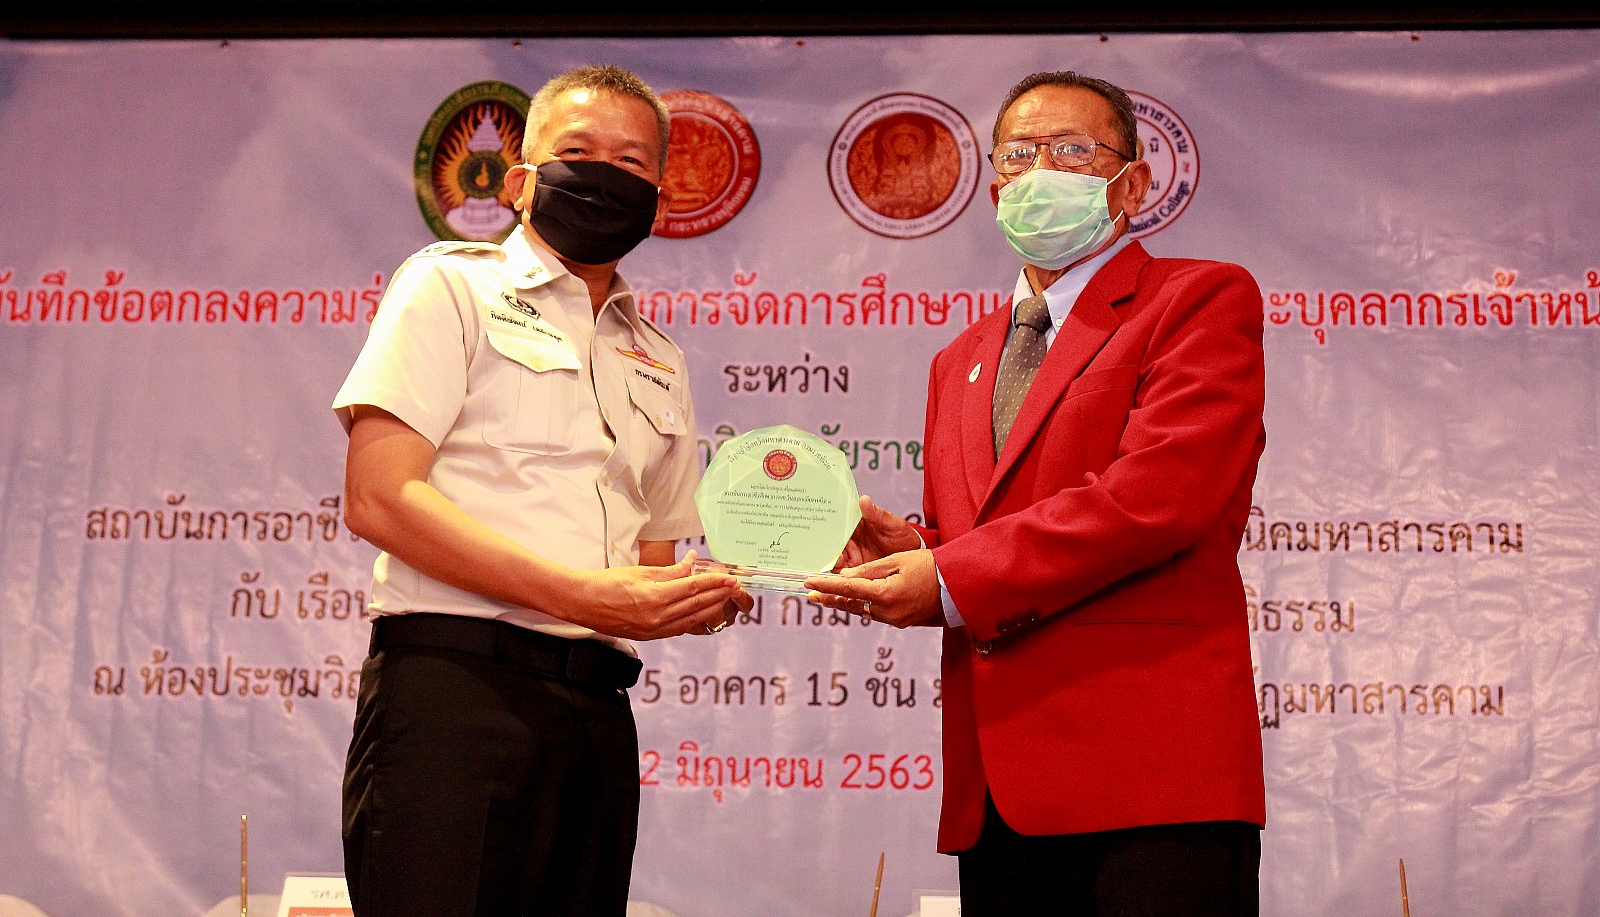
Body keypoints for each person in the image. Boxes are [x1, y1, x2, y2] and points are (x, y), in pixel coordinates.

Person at [808, 71, 1267, 915]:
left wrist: (948, 576)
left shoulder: (1195, 298)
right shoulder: (958, 358)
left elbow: (1158, 497)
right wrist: (915, 552)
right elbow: (974, 536)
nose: (1040, 170)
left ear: (1132, 183)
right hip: (998, 790)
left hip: (1152, 778)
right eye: (1018, 154)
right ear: (994, 192)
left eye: (1071, 150)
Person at [334, 64, 747, 917]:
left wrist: (714, 590)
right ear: (520, 181)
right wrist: (582, 596)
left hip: (598, 712)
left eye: (630, 163)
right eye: (578, 152)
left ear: (657, 200)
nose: (603, 175)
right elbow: (378, 496)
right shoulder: (451, 286)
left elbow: (651, 563)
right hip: (455, 694)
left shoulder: (659, 358)